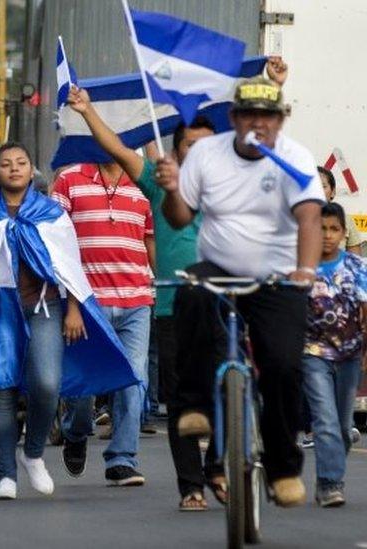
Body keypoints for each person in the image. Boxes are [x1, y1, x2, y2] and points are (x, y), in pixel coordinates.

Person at [155, 77, 325, 506]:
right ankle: (197, 406)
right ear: (233, 118)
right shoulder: (207, 154)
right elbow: (178, 219)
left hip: (278, 275)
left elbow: (309, 219)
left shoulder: (294, 157)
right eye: (248, 114)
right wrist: (172, 189)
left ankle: (284, 469)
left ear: (279, 121)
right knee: (190, 293)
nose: (257, 123)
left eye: (267, 116)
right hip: (219, 266)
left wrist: (305, 270)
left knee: (283, 367)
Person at [0, 142, 135, 500]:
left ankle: (32, 453)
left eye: (21, 162)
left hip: (45, 308)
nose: (14, 168)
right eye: (6, 163)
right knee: (0, 388)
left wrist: (75, 309)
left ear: (31, 169)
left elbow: (69, 265)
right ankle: (5, 475)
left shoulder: (50, 212)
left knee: (47, 384)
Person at [67, 85, 222, 509]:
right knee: (178, 400)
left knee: (228, 390)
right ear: (179, 150)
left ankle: (219, 468)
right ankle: (191, 485)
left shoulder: (232, 184)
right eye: (192, 145)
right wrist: (86, 111)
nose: (202, 153)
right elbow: (116, 145)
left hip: (225, 302)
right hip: (173, 304)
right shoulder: (158, 181)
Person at [51, 154, 155, 487]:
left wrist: (166, 282)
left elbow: (151, 239)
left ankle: (123, 458)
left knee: (133, 379)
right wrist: (71, 304)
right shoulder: (69, 179)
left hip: (137, 300)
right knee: (83, 387)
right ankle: (76, 432)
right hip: (86, 302)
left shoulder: (144, 184)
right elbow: (57, 245)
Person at [301, 202, 367, 507]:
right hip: (313, 353)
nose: (327, 235)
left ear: (343, 233)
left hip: (350, 355)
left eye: (333, 229)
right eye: (321, 228)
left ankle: (328, 473)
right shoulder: (302, 266)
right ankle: (330, 483)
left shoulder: (356, 268)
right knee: (324, 420)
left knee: (341, 425)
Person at [318, 167, 365, 254]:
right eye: (312, 187)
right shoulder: (293, 219)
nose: (317, 191)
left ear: (333, 192)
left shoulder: (346, 220)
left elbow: (354, 261)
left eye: (323, 186)